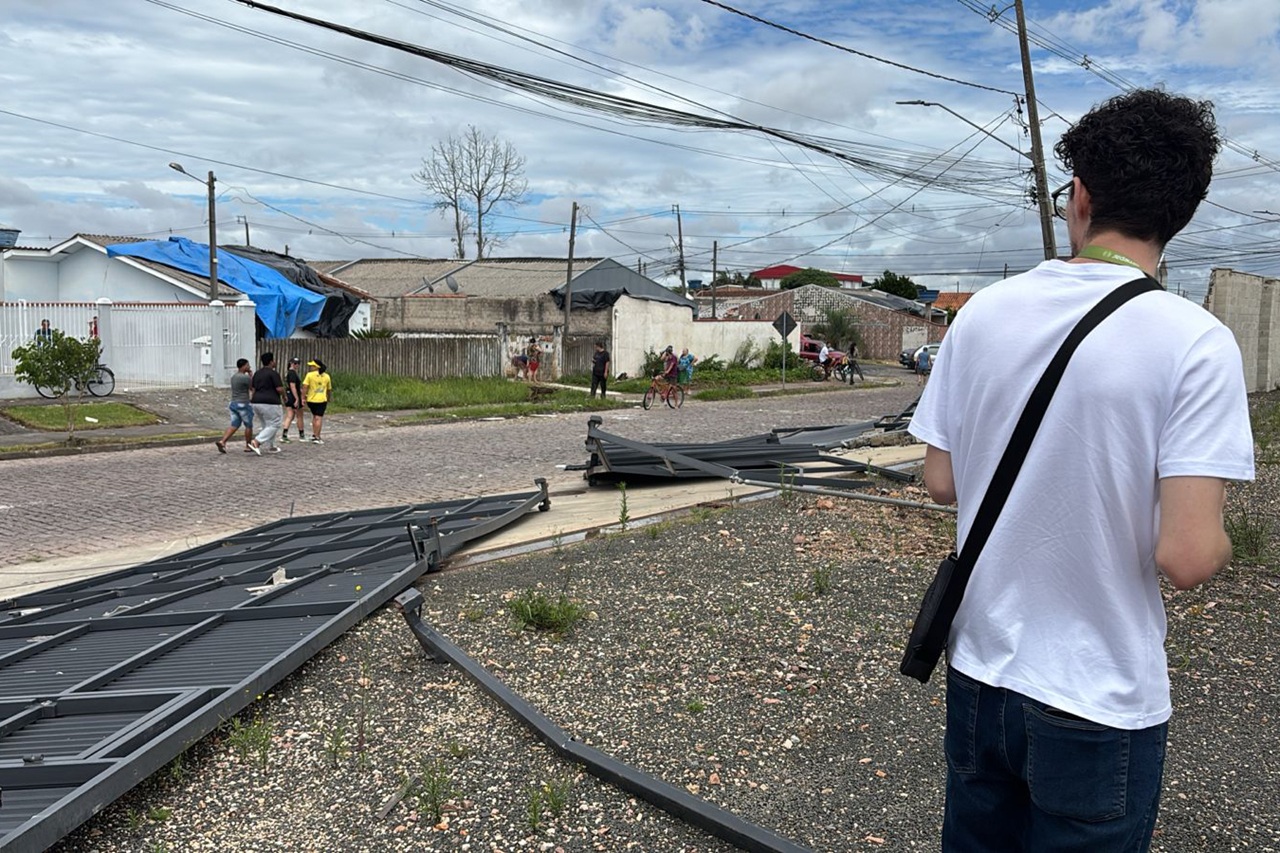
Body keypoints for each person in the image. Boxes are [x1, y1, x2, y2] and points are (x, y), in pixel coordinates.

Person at [908, 88, 1254, 852]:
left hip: (979, 674)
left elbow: (943, 482)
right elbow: (1189, 557)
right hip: (1097, 696)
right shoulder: (1196, 342)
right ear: (1182, 212)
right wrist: (1225, 542)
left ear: (1081, 197)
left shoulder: (983, 313)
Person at [215, 358, 257, 455]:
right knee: (248, 425)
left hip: (233, 403)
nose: (249, 367)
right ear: (244, 366)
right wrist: (251, 376)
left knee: (235, 424)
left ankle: (223, 441)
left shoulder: (234, 377)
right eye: (248, 365)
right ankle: (248, 445)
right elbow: (252, 388)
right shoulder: (245, 378)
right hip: (243, 403)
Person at [249, 352, 285, 454]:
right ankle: (257, 441)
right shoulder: (273, 373)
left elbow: (253, 389)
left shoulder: (257, 373)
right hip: (270, 402)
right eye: (274, 360)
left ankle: (272, 446)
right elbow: (279, 388)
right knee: (275, 424)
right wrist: (284, 396)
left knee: (267, 425)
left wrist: (253, 400)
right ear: (271, 362)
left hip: (256, 402)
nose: (275, 362)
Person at [301, 358, 332, 445]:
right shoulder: (326, 376)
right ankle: (317, 436)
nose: (310, 367)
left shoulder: (309, 375)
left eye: (312, 365)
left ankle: (315, 434)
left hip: (311, 400)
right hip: (321, 400)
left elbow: (305, 387)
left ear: (316, 367)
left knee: (315, 417)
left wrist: (303, 398)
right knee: (318, 418)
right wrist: (329, 398)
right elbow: (329, 390)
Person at [281, 356, 306, 442]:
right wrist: (297, 398)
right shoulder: (292, 373)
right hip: (293, 395)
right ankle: (301, 435)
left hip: (288, 395)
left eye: (298, 363)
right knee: (299, 416)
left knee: (290, 415)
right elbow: (293, 386)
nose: (297, 365)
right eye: (295, 363)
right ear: (291, 363)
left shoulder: (288, 373)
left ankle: (284, 434)